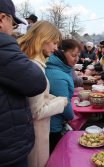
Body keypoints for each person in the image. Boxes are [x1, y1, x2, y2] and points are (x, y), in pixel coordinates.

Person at [0, 0, 47, 166]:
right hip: (7, 151)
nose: (13, 29)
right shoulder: (4, 47)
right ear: (1, 19)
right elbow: (36, 83)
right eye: (12, 24)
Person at [18, 21, 68, 167]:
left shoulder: (32, 64)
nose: (55, 48)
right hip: (36, 134)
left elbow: (38, 98)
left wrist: (53, 98)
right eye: (54, 43)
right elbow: (37, 111)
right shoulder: (35, 67)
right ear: (43, 39)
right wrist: (62, 102)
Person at [45, 39, 81, 153]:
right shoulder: (57, 75)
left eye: (78, 56)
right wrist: (71, 117)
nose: (76, 59)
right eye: (73, 55)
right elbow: (64, 104)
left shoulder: (62, 68)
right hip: (53, 126)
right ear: (62, 52)